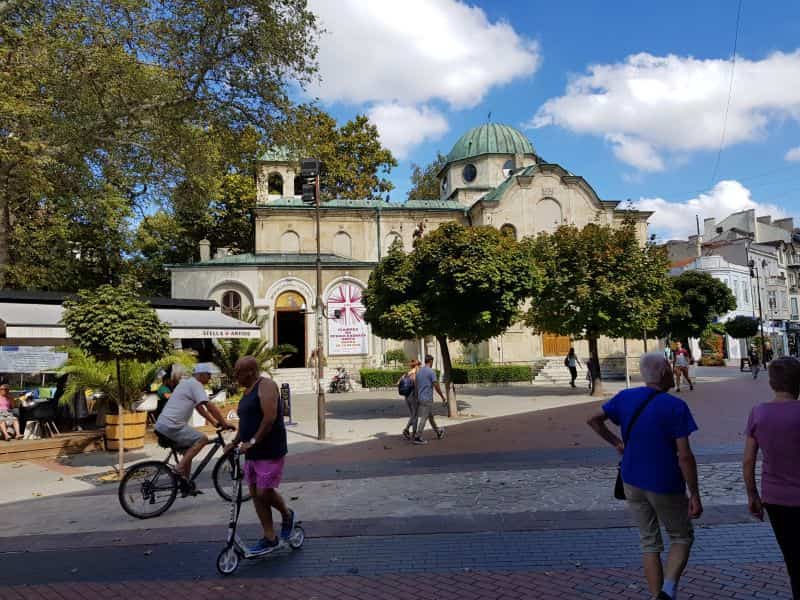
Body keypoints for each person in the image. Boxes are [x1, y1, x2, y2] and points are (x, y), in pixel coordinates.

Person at [587, 353, 702, 600]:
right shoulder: (675, 406)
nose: (672, 372)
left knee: (649, 542)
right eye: (669, 369)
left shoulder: (625, 398)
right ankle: (668, 590)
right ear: (662, 374)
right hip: (665, 482)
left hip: (632, 479)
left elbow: (593, 419)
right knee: (681, 536)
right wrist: (694, 493)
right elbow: (684, 456)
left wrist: (616, 442)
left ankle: (654, 596)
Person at [742, 357, 800, 599]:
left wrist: (752, 494)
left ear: (771, 383)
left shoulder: (759, 413)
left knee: (792, 557)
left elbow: (748, 460)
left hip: (775, 497)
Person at [227, 356, 295, 555]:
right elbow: (245, 422)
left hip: (270, 448)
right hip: (252, 452)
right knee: (256, 494)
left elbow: (270, 417)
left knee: (265, 492)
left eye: (237, 372)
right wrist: (234, 442)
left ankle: (287, 514)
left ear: (250, 372)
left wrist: (253, 441)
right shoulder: (246, 391)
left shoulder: (266, 386)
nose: (235, 376)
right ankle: (269, 536)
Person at [154, 363, 232, 483]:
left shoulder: (187, 383)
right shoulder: (195, 385)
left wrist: (215, 423)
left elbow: (199, 408)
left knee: (188, 451)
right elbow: (209, 406)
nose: (210, 377)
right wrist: (224, 423)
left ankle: (185, 482)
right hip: (172, 426)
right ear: (200, 375)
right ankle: (179, 468)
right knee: (203, 439)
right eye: (208, 374)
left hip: (164, 425)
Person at [413, 355, 446, 445]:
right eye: (432, 362)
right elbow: (436, 386)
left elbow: (416, 385)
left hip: (420, 398)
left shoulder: (419, 371)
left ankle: (438, 432)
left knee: (430, 417)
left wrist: (416, 397)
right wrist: (442, 397)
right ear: (431, 361)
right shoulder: (431, 372)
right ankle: (418, 436)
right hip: (427, 399)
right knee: (424, 417)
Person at [400, 359, 421, 440]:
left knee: (413, 415)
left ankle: (407, 429)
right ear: (416, 366)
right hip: (413, 396)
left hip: (406, 396)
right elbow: (416, 386)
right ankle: (414, 434)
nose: (420, 367)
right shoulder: (414, 374)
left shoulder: (406, 374)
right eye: (419, 365)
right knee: (415, 416)